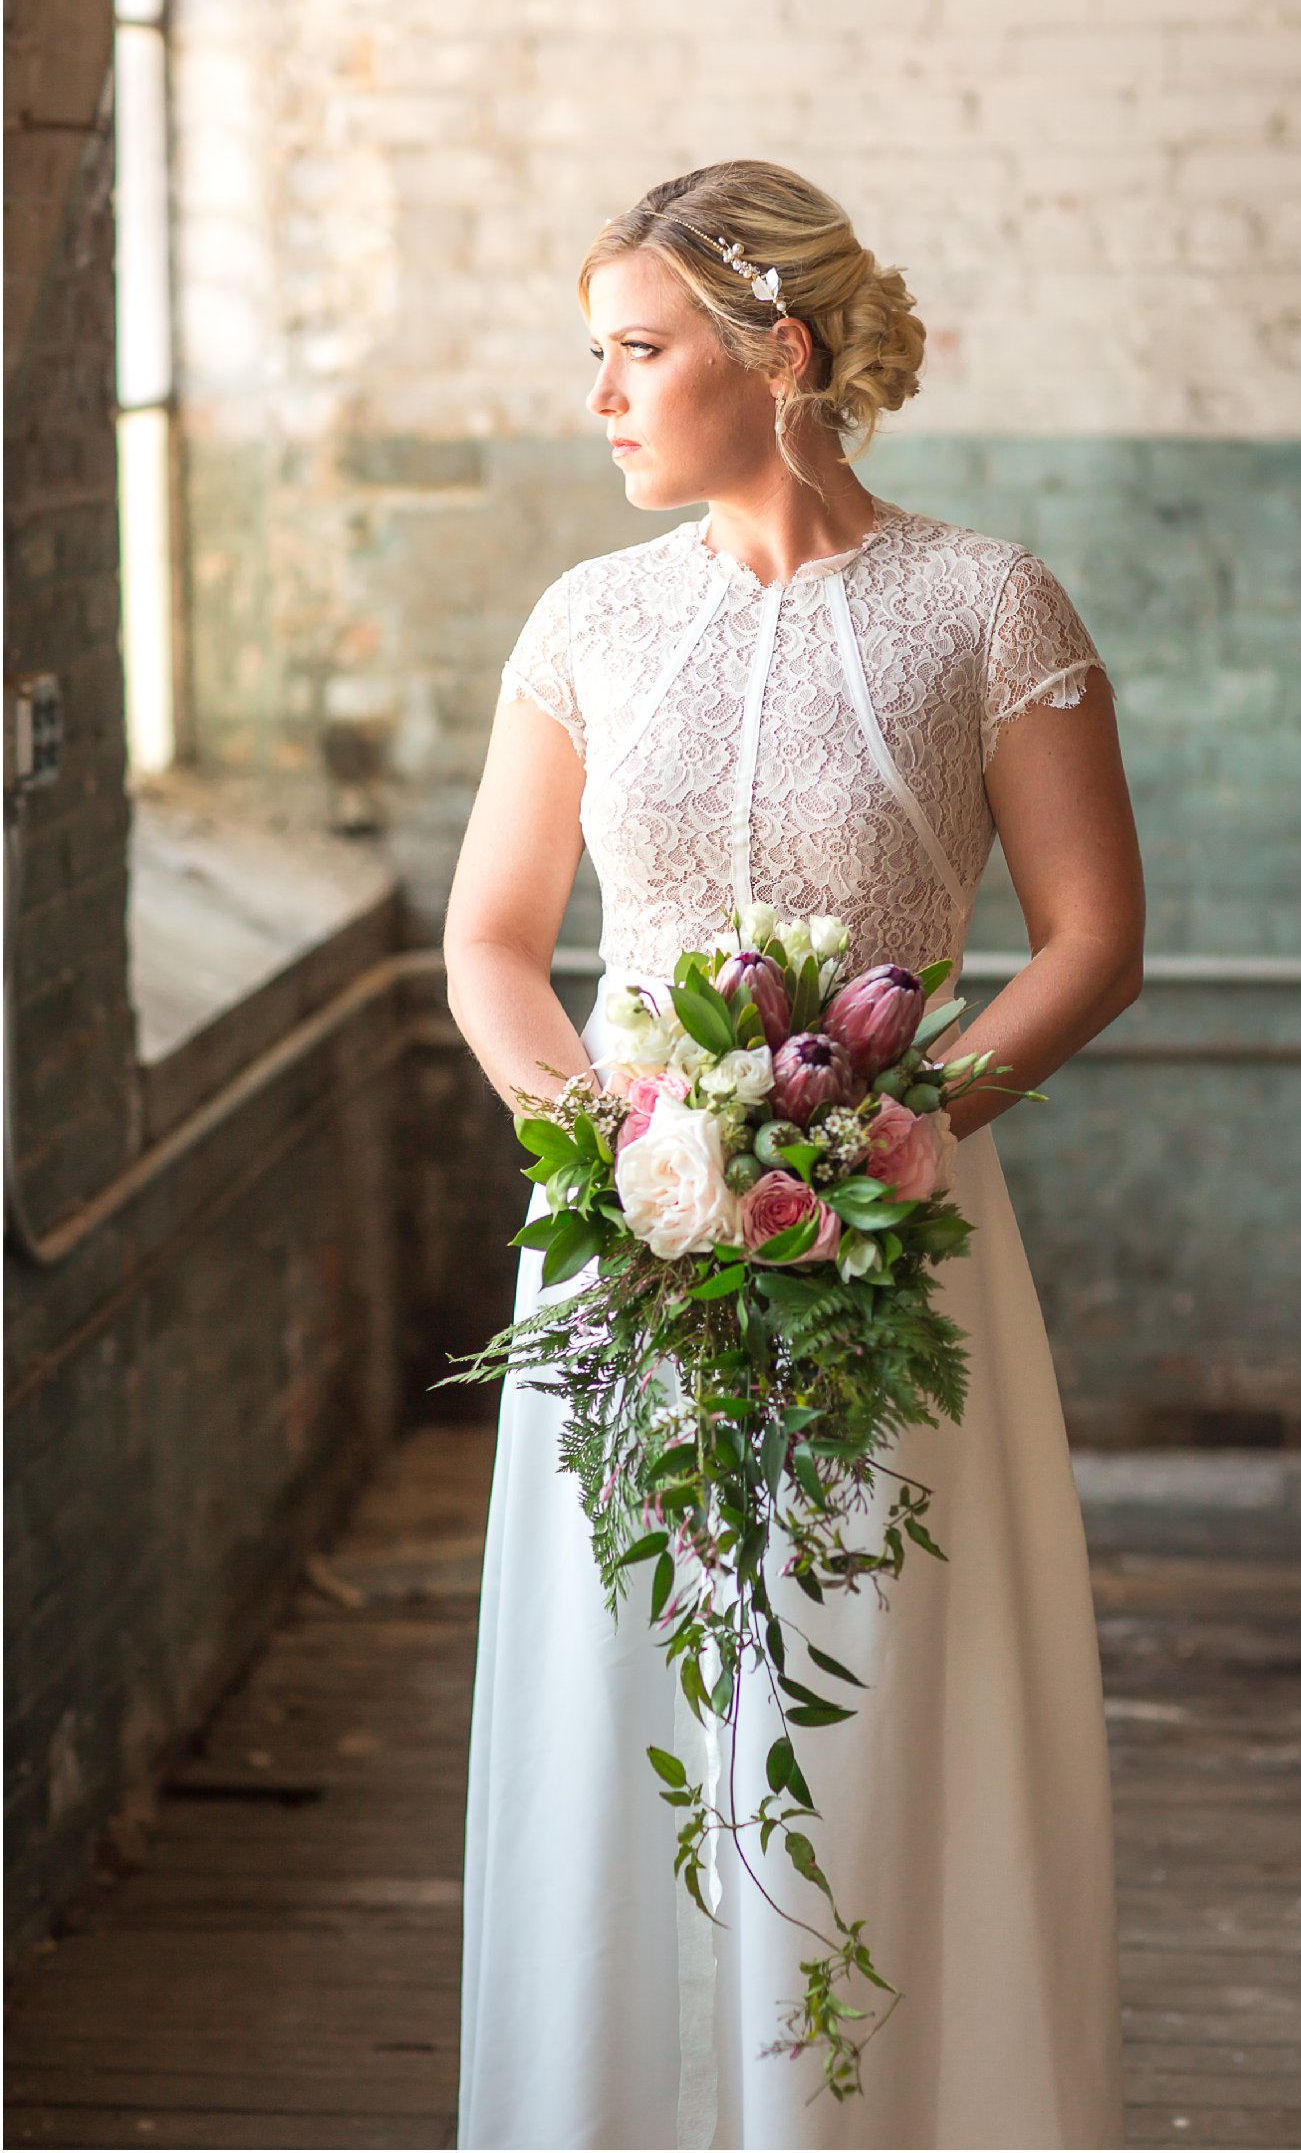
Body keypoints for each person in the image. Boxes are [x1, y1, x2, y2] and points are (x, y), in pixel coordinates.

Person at [445, 158, 1145, 2152]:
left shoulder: (985, 604)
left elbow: (1094, 937)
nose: (600, 395)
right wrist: (604, 1144)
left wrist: (903, 1130)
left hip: (890, 1229)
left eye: (636, 350)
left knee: (871, 1677)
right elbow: (491, 937)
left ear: (782, 354)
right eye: (595, 354)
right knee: (630, 1700)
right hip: (631, 1229)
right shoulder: (586, 619)